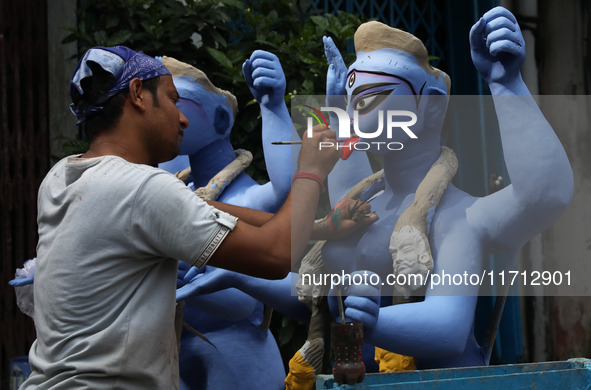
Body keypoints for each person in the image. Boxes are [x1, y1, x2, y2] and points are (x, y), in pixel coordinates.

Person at [19, 45, 370, 389]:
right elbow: (277, 255)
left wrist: (325, 228)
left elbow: (206, 210)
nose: (182, 117)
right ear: (138, 94)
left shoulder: (63, 177)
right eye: (172, 100)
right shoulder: (142, 189)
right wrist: (309, 172)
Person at [315, 6, 573, 370]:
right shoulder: (363, 202)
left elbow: (449, 326)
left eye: (370, 99)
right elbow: (344, 173)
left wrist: (506, 83)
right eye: (352, 103)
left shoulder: (459, 218)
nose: (358, 117)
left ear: (433, 105)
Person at [158, 52, 297, 389]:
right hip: (173, 348)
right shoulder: (172, 190)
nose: (169, 114)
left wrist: (274, 106)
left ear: (220, 120)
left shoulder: (246, 200)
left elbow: (292, 187)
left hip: (237, 350)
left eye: (179, 102)